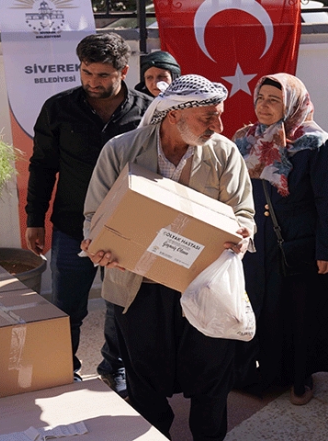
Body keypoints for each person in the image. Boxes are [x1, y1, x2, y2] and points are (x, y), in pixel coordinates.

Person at [81, 75, 254, 441]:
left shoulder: (224, 153)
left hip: (204, 286)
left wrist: (242, 234)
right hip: (139, 287)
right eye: (208, 117)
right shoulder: (120, 150)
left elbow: (243, 213)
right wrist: (100, 247)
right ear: (174, 115)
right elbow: (95, 216)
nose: (218, 126)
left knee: (212, 377)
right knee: (145, 381)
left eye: (219, 116)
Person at [26, 32, 152, 392]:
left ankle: (116, 366)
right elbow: (42, 166)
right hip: (70, 227)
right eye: (86, 72)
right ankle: (67, 369)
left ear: (124, 71)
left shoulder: (146, 113)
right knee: (67, 306)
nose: (93, 82)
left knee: (120, 305)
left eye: (103, 76)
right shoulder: (58, 108)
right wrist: (34, 219)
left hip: (128, 228)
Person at [232, 73, 328, 405]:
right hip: (257, 245)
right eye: (260, 98)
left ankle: (300, 378)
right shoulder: (244, 140)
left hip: (298, 244)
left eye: (274, 100)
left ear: (292, 104)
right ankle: (266, 374)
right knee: (261, 307)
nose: (264, 106)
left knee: (298, 312)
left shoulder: (316, 143)